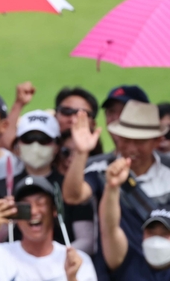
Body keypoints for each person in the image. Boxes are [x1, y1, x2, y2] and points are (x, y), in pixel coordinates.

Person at [63, 101, 170, 246]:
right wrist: (81, 152)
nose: (132, 149)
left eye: (140, 141)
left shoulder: (167, 171)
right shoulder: (101, 170)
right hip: (117, 265)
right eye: (125, 140)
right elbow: (73, 196)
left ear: (156, 140)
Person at [0, 110, 94, 250]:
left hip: (63, 267)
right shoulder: (2, 187)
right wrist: (5, 219)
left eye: (43, 140)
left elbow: (87, 241)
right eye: (28, 139)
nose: (35, 145)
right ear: (17, 145)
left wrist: (54, 261)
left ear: (56, 146)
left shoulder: (70, 187)